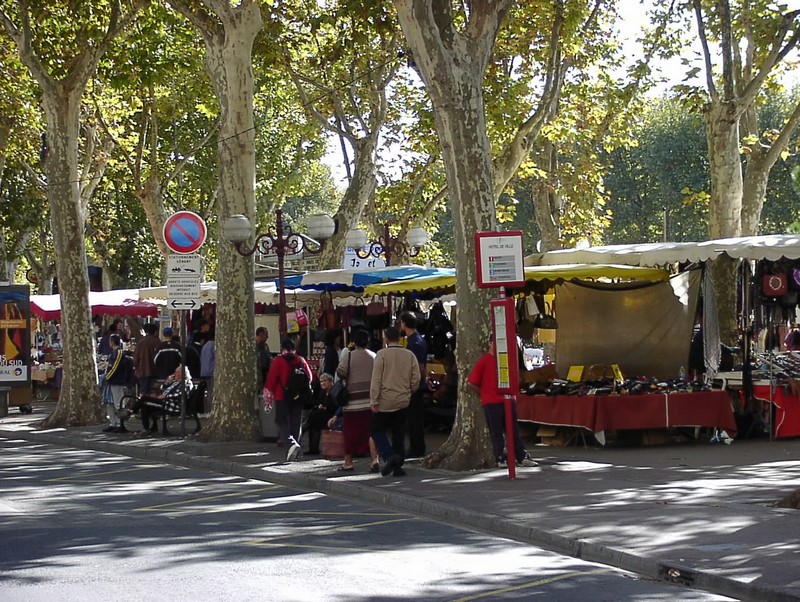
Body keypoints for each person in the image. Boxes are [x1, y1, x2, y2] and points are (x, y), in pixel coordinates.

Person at [467, 342, 538, 468]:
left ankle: (521, 455)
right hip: (491, 401)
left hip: (507, 399)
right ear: (489, 344)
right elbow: (472, 382)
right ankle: (500, 457)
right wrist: (484, 394)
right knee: (496, 432)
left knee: (513, 429)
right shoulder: (484, 361)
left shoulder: (506, 360)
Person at [370, 326, 420, 477]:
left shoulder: (382, 354)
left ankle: (389, 455)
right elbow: (416, 377)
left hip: (385, 400)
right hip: (403, 399)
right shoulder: (409, 355)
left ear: (386, 338)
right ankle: (398, 466)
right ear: (400, 338)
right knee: (398, 433)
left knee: (376, 430)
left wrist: (374, 399)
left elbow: (376, 379)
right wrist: (410, 390)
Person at [334, 329, 378, 472]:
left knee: (351, 433)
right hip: (370, 401)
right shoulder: (374, 356)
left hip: (352, 402)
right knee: (371, 432)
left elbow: (340, 372)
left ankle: (348, 462)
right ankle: (374, 460)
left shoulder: (349, 356)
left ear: (354, 341)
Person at [264, 338, 313, 462]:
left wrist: (268, 399)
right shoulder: (301, 360)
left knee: (283, 422)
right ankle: (295, 450)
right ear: (294, 349)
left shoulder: (278, 361)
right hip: (298, 397)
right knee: (296, 423)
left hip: (282, 396)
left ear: (282, 349)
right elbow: (310, 377)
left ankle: (291, 444)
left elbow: (271, 380)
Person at [400, 311, 428, 457]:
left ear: (404, 324)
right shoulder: (418, 340)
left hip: (414, 384)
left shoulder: (415, 343)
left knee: (414, 417)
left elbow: (419, 366)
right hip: (417, 382)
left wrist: (418, 381)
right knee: (415, 417)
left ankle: (417, 447)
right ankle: (417, 445)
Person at [138, 364, 195, 433]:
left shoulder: (186, 383)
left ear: (182, 374)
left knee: (144, 399)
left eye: (176, 372)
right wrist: (167, 382)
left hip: (171, 404)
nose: (174, 374)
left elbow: (181, 395)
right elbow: (164, 391)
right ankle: (148, 428)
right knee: (145, 405)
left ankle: (131, 411)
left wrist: (166, 396)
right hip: (165, 401)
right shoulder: (176, 382)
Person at [102, 333, 130, 433]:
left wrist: (107, 377)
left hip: (116, 381)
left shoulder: (118, 353)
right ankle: (112, 423)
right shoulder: (113, 353)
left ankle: (120, 424)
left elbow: (115, 367)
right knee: (109, 403)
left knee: (118, 403)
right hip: (110, 382)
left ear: (112, 342)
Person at [304, 372, 338, 455]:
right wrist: (320, 406)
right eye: (321, 381)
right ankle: (313, 449)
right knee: (314, 419)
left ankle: (303, 429)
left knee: (313, 418)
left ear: (330, 381)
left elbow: (335, 406)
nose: (322, 383)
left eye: (325, 381)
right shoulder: (322, 392)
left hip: (333, 415)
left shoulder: (334, 392)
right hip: (323, 415)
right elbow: (320, 403)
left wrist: (324, 407)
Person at [133, 322, 161, 395]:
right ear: (155, 331)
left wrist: (136, 368)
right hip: (155, 372)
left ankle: (142, 405)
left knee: (143, 392)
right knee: (154, 392)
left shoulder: (141, 342)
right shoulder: (158, 342)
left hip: (143, 372)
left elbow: (136, 358)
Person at [200, 331, 216, 414]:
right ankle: (212, 410)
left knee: (209, 391)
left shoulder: (205, 346)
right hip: (212, 371)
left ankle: (208, 410)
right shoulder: (214, 345)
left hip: (204, 371)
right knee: (213, 392)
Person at [255, 326, 272, 392]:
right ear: (260, 335)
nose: (267, 337)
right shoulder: (253, 347)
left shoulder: (265, 346)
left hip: (266, 376)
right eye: (266, 335)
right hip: (258, 378)